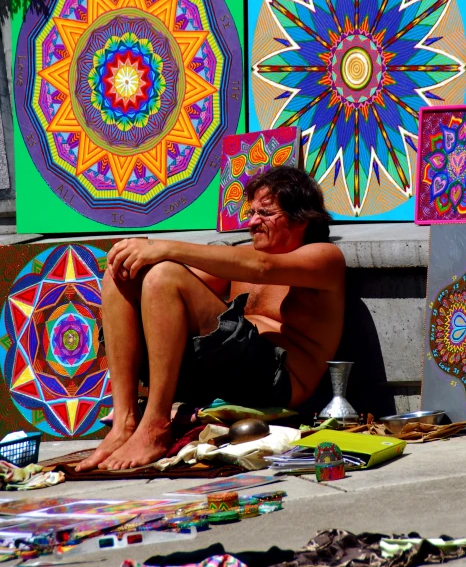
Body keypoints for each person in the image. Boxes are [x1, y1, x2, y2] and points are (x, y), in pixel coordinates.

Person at [76, 167, 345, 471]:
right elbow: (176, 285)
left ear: (302, 219)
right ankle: (124, 421)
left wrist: (162, 247)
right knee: (122, 276)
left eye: (266, 213)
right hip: (224, 366)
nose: (252, 222)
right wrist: (139, 258)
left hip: (276, 380)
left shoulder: (324, 257)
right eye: (252, 212)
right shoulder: (246, 257)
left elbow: (264, 268)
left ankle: (155, 425)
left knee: (164, 274)